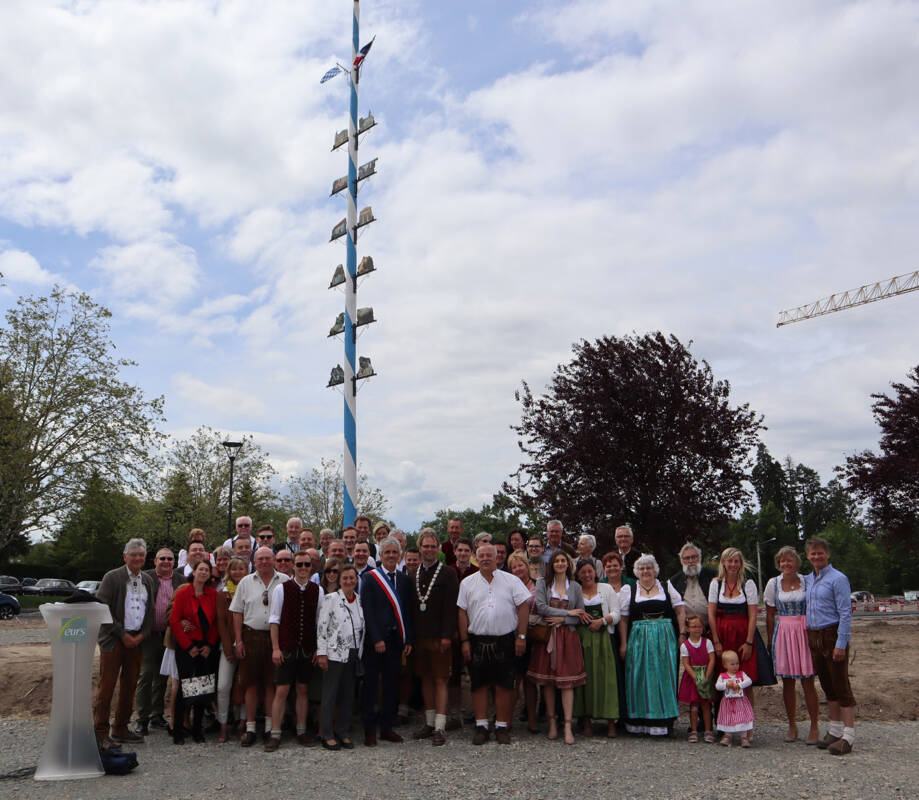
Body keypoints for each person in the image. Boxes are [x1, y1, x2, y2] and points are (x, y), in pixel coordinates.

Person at [457, 543, 530, 745]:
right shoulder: (467, 583)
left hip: (505, 639)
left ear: (497, 557)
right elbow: (462, 613)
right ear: (476, 558)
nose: (486, 559)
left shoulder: (511, 580)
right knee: (478, 685)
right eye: (482, 556)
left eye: (489, 555)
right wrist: (464, 641)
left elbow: (523, 607)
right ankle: (481, 726)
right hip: (476, 639)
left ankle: (501, 726)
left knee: (504, 685)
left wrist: (521, 636)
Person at [94, 538, 155, 746]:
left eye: (141, 555)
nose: (138, 558)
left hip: (137, 641)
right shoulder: (112, 577)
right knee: (107, 687)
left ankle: (121, 728)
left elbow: (150, 612)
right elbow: (102, 609)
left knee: (130, 687)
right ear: (125, 556)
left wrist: (141, 635)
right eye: (133, 554)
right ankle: (100, 732)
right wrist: (122, 634)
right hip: (113, 640)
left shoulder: (147, 580)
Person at [229, 546, 289, 746]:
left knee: (272, 683)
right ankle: (251, 728)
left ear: (274, 560)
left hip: (275, 638)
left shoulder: (284, 580)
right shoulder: (245, 582)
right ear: (254, 562)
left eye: (267, 558)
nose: (264, 561)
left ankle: (271, 728)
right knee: (251, 683)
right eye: (260, 558)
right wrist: (238, 641)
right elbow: (237, 612)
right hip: (251, 636)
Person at [620, 553, 685, 736]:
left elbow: (680, 611)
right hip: (638, 637)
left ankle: (662, 721)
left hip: (664, 636)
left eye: (648, 567)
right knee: (638, 676)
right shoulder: (629, 589)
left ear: (655, 569)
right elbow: (623, 619)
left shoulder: (666, 586)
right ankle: (639, 720)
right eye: (641, 568)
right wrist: (623, 643)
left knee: (663, 675)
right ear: (636, 571)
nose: (645, 571)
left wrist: (682, 633)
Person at [528, 550, 587, 745]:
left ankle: (568, 726)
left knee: (567, 683)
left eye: (563, 561)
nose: (560, 563)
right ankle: (552, 723)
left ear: (568, 564)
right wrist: (568, 612)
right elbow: (541, 607)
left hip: (568, 637)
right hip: (548, 637)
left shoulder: (575, 587)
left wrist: (563, 619)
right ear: (551, 564)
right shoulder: (542, 583)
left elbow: (580, 615)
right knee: (548, 682)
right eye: (557, 561)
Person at [265, 550, 323, 751]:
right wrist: (275, 648)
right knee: (282, 690)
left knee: (302, 689)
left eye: (307, 564)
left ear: (311, 567)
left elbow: (320, 622)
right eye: (299, 564)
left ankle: (301, 730)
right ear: (293, 566)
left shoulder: (318, 590)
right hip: (287, 647)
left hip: (307, 647)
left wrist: (319, 648)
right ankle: (275, 733)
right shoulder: (281, 589)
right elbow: (274, 620)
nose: (303, 568)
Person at [804, 536, 856, 755]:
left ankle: (848, 736)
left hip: (832, 634)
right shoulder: (808, 580)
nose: (817, 557)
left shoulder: (838, 579)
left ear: (827, 554)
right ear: (808, 556)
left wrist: (841, 643)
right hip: (814, 635)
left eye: (820, 553)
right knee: (827, 685)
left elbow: (845, 612)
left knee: (841, 684)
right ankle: (834, 730)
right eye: (813, 553)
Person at [360, 537, 414, 746]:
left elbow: (407, 612)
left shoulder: (405, 580)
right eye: (387, 552)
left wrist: (408, 638)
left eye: (394, 552)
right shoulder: (370, 578)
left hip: (396, 641)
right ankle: (369, 730)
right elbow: (367, 610)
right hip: (375, 642)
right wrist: (376, 638)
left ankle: (387, 728)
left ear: (399, 555)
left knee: (392, 685)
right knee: (371, 686)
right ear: (380, 555)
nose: (391, 556)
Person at [764, 545, 820, 745]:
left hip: (804, 631)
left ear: (797, 562)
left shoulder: (807, 580)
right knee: (787, 682)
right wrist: (770, 640)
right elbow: (770, 614)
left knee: (808, 681)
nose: (786, 564)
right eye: (782, 561)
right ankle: (792, 725)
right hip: (784, 632)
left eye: (789, 560)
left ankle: (814, 726)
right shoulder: (773, 584)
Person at [708, 548, 770, 721]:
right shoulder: (716, 584)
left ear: (741, 564)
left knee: (745, 678)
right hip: (722, 634)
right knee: (722, 677)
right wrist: (716, 640)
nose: (733, 564)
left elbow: (753, 615)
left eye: (736, 561)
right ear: (723, 563)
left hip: (743, 635)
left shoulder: (747, 584)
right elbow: (711, 614)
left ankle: (747, 722)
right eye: (730, 561)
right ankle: (725, 721)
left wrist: (749, 642)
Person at [410, 529, 459, 747]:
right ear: (420, 548)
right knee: (425, 678)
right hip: (419, 636)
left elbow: (451, 608)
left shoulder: (448, 573)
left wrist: (447, 635)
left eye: (432, 546)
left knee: (440, 679)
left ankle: (440, 726)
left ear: (438, 548)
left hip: (440, 638)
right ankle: (429, 723)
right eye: (425, 546)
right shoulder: (413, 573)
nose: (429, 550)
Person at [134, 547, 183, 736]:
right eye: (162, 558)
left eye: (170, 559)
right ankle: (142, 718)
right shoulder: (145, 578)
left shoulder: (180, 580)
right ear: (155, 561)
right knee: (146, 674)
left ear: (174, 562)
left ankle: (156, 714)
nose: (166, 562)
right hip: (149, 634)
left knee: (162, 676)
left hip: (169, 634)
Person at [169, 560, 219, 744]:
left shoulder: (212, 594)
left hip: (205, 647)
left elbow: (215, 623)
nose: (203, 572)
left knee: (202, 689)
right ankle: (178, 730)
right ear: (194, 572)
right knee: (185, 688)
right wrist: (188, 647)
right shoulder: (183, 593)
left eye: (207, 570)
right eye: (201, 569)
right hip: (187, 647)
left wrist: (210, 645)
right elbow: (174, 621)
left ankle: (198, 729)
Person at [317, 564, 365, 750]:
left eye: (352, 577)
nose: (349, 581)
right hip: (334, 653)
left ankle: (343, 731)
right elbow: (322, 627)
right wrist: (322, 653)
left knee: (348, 695)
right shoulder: (331, 599)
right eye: (345, 578)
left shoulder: (359, 600)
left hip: (353, 652)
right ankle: (327, 734)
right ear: (339, 580)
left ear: (356, 580)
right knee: (330, 695)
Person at [573, 558, 621, 738]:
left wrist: (602, 621)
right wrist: (578, 615)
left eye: (590, 571)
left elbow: (616, 614)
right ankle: (586, 722)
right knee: (585, 680)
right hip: (582, 639)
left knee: (606, 679)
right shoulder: (575, 591)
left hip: (602, 638)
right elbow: (569, 612)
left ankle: (611, 722)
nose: (587, 575)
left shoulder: (606, 589)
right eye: (583, 572)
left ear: (595, 572)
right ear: (578, 575)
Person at [216, 556, 248, 743]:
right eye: (234, 569)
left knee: (245, 684)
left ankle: (243, 722)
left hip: (247, 645)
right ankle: (223, 723)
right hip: (227, 646)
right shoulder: (223, 594)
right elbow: (221, 622)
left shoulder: (250, 590)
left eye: (241, 569)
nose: (237, 572)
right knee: (223, 686)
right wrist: (229, 649)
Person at [507, 551, 539, 733]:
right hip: (513, 636)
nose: (518, 569)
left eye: (520, 565)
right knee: (514, 680)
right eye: (514, 567)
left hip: (534, 636)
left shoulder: (538, 585)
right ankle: (507, 719)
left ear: (527, 566)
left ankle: (532, 720)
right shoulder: (509, 586)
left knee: (530, 680)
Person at [602, 552, 632, 725]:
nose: (612, 568)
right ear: (604, 569)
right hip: (609, 635)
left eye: (615, 565)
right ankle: (614, 714)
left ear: (621, 567)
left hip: (630, 633)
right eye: (608, 566)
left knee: (628, 673)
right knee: (614, 674)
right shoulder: (600, 585)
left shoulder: (631, 584)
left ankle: (628, 714)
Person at [677, 614, 715, 743]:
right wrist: (695, 677)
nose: (697, 629)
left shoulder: (707, 642)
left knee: (706, 704)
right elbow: (686, 663)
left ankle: (708, 730)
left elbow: (712, 659)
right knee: (693, 704)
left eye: (699, 626)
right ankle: (693, 730)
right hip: (692, 677)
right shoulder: (685, 645)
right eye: (693, 627)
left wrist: (706, 675)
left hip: (705, 675)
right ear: (688, 629)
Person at [669, 542, 716, 626]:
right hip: (686, 628)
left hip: (710, 626)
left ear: (699, 558)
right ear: (681, 561)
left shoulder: (713, 576)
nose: (690, 561)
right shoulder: (674, 581)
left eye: (694, 557)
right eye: (687, 558)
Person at [715, 650, 754, 747]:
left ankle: (743, 736)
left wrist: (740, 685)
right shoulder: (723, 676)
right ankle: (727, 735)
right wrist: (726, 685)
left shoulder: (741, 674)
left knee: (742, 717)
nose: (735, 666)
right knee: (728, 717)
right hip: (728, 702)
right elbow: (717, 686)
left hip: (740, 701)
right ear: (725, 665)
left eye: (737, 663)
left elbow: (749, 681)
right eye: (732, 664)